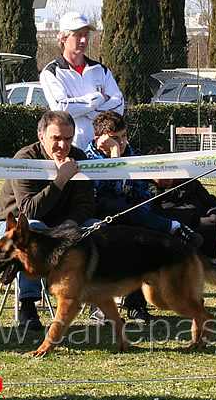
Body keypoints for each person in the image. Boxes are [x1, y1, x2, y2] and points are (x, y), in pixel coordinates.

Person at [84, 111, 204, 322]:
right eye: (115, 138)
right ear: (100, 139)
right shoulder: (87, 159)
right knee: (111, 204)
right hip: (98, 219)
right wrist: (114, 157)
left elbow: (142, 196)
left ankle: (136, 305)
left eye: (123, 136)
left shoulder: (135, 157)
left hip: (131, 218)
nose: (121, 142)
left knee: (141, 237)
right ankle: (173, 227)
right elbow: (103, 195)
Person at [0, 111, 98, 329]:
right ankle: (28, 307)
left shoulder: (79, 158)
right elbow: (29, 210)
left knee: (93, 228)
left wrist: (69, 225)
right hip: (14, 224)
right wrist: (60, 180)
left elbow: (85, 204)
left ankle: (98, 302)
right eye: (56, 138)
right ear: (41, 137)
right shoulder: (25, 159)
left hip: (61, 223)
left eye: (68, 139)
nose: (63, 145)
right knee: (31, 232)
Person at [148, 171, 216, 320]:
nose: (169, 178)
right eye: (163, 174)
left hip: (210, 231)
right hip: (181, 237)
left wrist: (214, 216)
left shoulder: (191, 183)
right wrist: (197, 219)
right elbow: (154, 215)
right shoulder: (146, 190)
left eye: (172, 173)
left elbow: (213, 203)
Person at [40, 11, 124, 150]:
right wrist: (100, 98)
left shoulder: (101, 70)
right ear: (63, 38)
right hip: (71, 150)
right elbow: (61, 109)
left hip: (102, 149)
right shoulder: (51, 72)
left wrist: (79, 107)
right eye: (78, 35)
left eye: (86, 35)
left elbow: (118, 107)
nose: (84, 40)